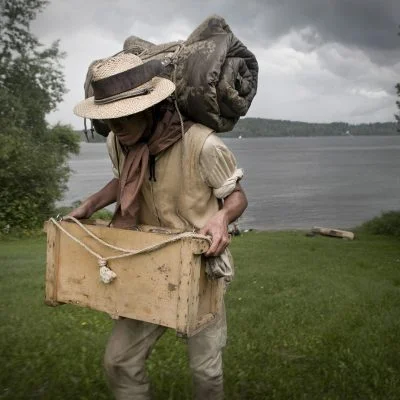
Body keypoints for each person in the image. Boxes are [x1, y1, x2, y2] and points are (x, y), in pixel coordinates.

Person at [71, 52, 248, 400]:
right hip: (145, 264)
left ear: (149, 107)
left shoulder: (203, 145)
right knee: (120, 361)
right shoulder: (118, 143)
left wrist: (221, 218)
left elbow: (236, 195)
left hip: (199, 268)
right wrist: (90, 204)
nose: (115, 128)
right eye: (109, 120)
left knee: (205, 371)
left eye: (123, 118)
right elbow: (124, 180)